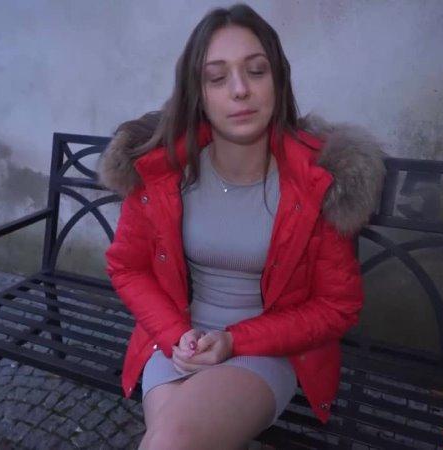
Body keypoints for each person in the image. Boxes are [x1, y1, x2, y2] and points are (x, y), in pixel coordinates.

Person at [98, 4, 385, 449]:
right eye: (217, 77)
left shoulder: (317, 179)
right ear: (197, 94)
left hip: (266, 349)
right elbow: (127, 267)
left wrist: (233, 341)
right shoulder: (161, 170)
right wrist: (177, 336)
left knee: (170, 440)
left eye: (256, 71)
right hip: (177, 342)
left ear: (278, 81)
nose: (240, 90)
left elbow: (337, 305)